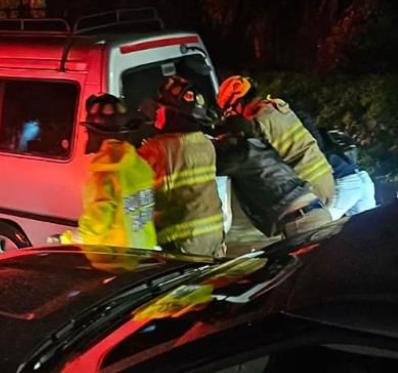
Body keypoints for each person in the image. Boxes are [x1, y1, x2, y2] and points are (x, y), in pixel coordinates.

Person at [137, 76, 225, 258]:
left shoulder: (156, 148)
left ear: (172, 113)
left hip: (182, 242)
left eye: (160, 108)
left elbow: (136, 195)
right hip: (215, 235)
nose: (156, 113)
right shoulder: (205, 142)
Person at [217, 75, 336, 206]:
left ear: (239, 102)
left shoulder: (257, 122)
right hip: (325, 176)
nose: (235, 115)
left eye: (232, 110)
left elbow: (252, 162)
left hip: (306, 186)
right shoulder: (277, 106)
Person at [57, 94, 157, 250]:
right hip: (146, 254)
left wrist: (65, 239)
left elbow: (94, 229)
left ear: (95, 134)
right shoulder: (139, 166)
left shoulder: (105, 175)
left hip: (118, 259)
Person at [213, 110, 332, 240]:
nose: (220, 141)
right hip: (308, 214)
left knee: (307, 257)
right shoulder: (257, 148)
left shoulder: (242, 156)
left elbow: (210, 163)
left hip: (304, 219)